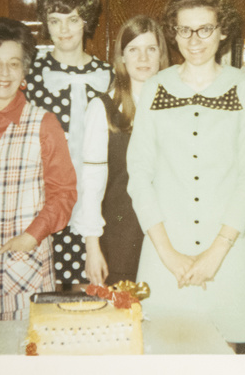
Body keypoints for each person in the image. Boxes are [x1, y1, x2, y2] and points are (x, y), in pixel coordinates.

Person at [127, 0, 245, 348]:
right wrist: (168, 254)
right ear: (173, 33)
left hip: (226, 249)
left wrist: (215, 254)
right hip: (165, 248)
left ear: (223, 31)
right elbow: (139, 174)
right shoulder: (155, 87)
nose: (194, 40)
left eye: (205, 29)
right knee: (164, 351)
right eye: (185, 30)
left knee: (222, 350)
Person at [0, 17, 77, 320]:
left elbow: (64, 194)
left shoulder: (44, 122)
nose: (4, 73)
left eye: (14, 64)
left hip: (25, 264)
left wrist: (32, 236)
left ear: (24, 70)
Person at [26, 0, 114, 287]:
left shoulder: (109, 75)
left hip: (96, 201)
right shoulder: (31, 74)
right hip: (46, 201)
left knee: (90, 296)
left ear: (86, 21)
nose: (64, 30)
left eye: (73, 19)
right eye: (55, 20)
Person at [80, 16, 169, 286]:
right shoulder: (102, 108)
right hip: (121, 238)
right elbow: (91, 185)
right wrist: (92, 248)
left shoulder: (175, 108)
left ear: (161, 55)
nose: (143, 57)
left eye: (150, 49)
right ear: (122, 57)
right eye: (134, 49)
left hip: (168, 237)